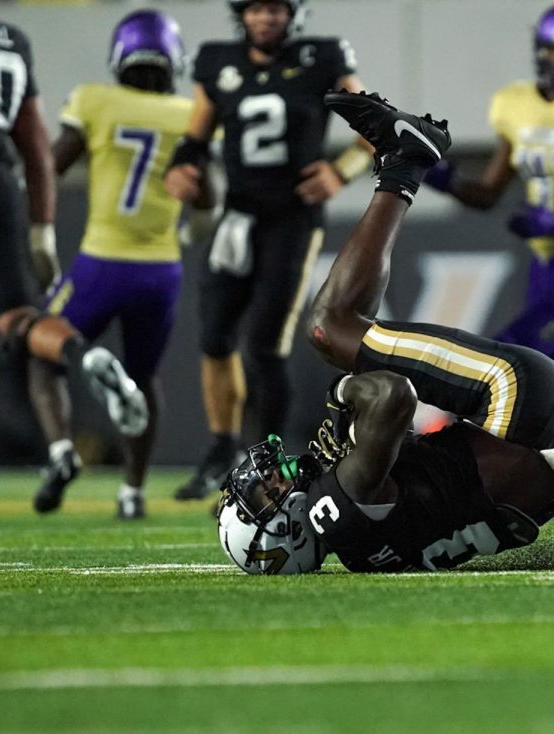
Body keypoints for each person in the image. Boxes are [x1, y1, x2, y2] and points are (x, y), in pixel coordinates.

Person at [217, 90, 554, 574]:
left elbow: (410, 463)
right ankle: (405, 161)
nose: (274, 479)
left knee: (347, 332)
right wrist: (343, 396)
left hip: (547, 462)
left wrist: (359, 431)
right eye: (268, 495)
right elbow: (392, 396)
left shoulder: (363, 551)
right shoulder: (333, 512)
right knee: (328, 330)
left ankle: (403, 161)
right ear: (289, 533)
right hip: (522, 409)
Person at [422, 2, 554, 510]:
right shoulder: (514, 104)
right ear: (541, 50)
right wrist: (434, 173)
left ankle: (456, 463)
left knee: (510, 352)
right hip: (546, 268)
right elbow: (487, 192)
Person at [164, 0, 373, 501]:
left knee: (264, 342)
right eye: (255, 9)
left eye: (275, 8)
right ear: (242, 14)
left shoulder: (321, 58)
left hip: (292, 219)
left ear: (292, 14)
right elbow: (195, 138)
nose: (265, 18)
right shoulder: (218, 61)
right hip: (237, 217)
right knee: (214, 336)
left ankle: (268, 456)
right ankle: (221, 450)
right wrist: (181, 168)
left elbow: (373, 127)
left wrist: (337, 172)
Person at [28, 10, 207, 518]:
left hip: (100, 262)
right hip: (161, 270)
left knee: (42, 349)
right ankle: (132, 491)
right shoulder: (187, 113)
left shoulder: (94, 100)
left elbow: (51, 164)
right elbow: (207, 193)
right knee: (144, 378)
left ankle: (62, 452)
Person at [0, 0, 148, 488]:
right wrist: (41, 229)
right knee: (16, 319)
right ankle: (83, 355)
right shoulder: (13, 40)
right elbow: (34, 143)